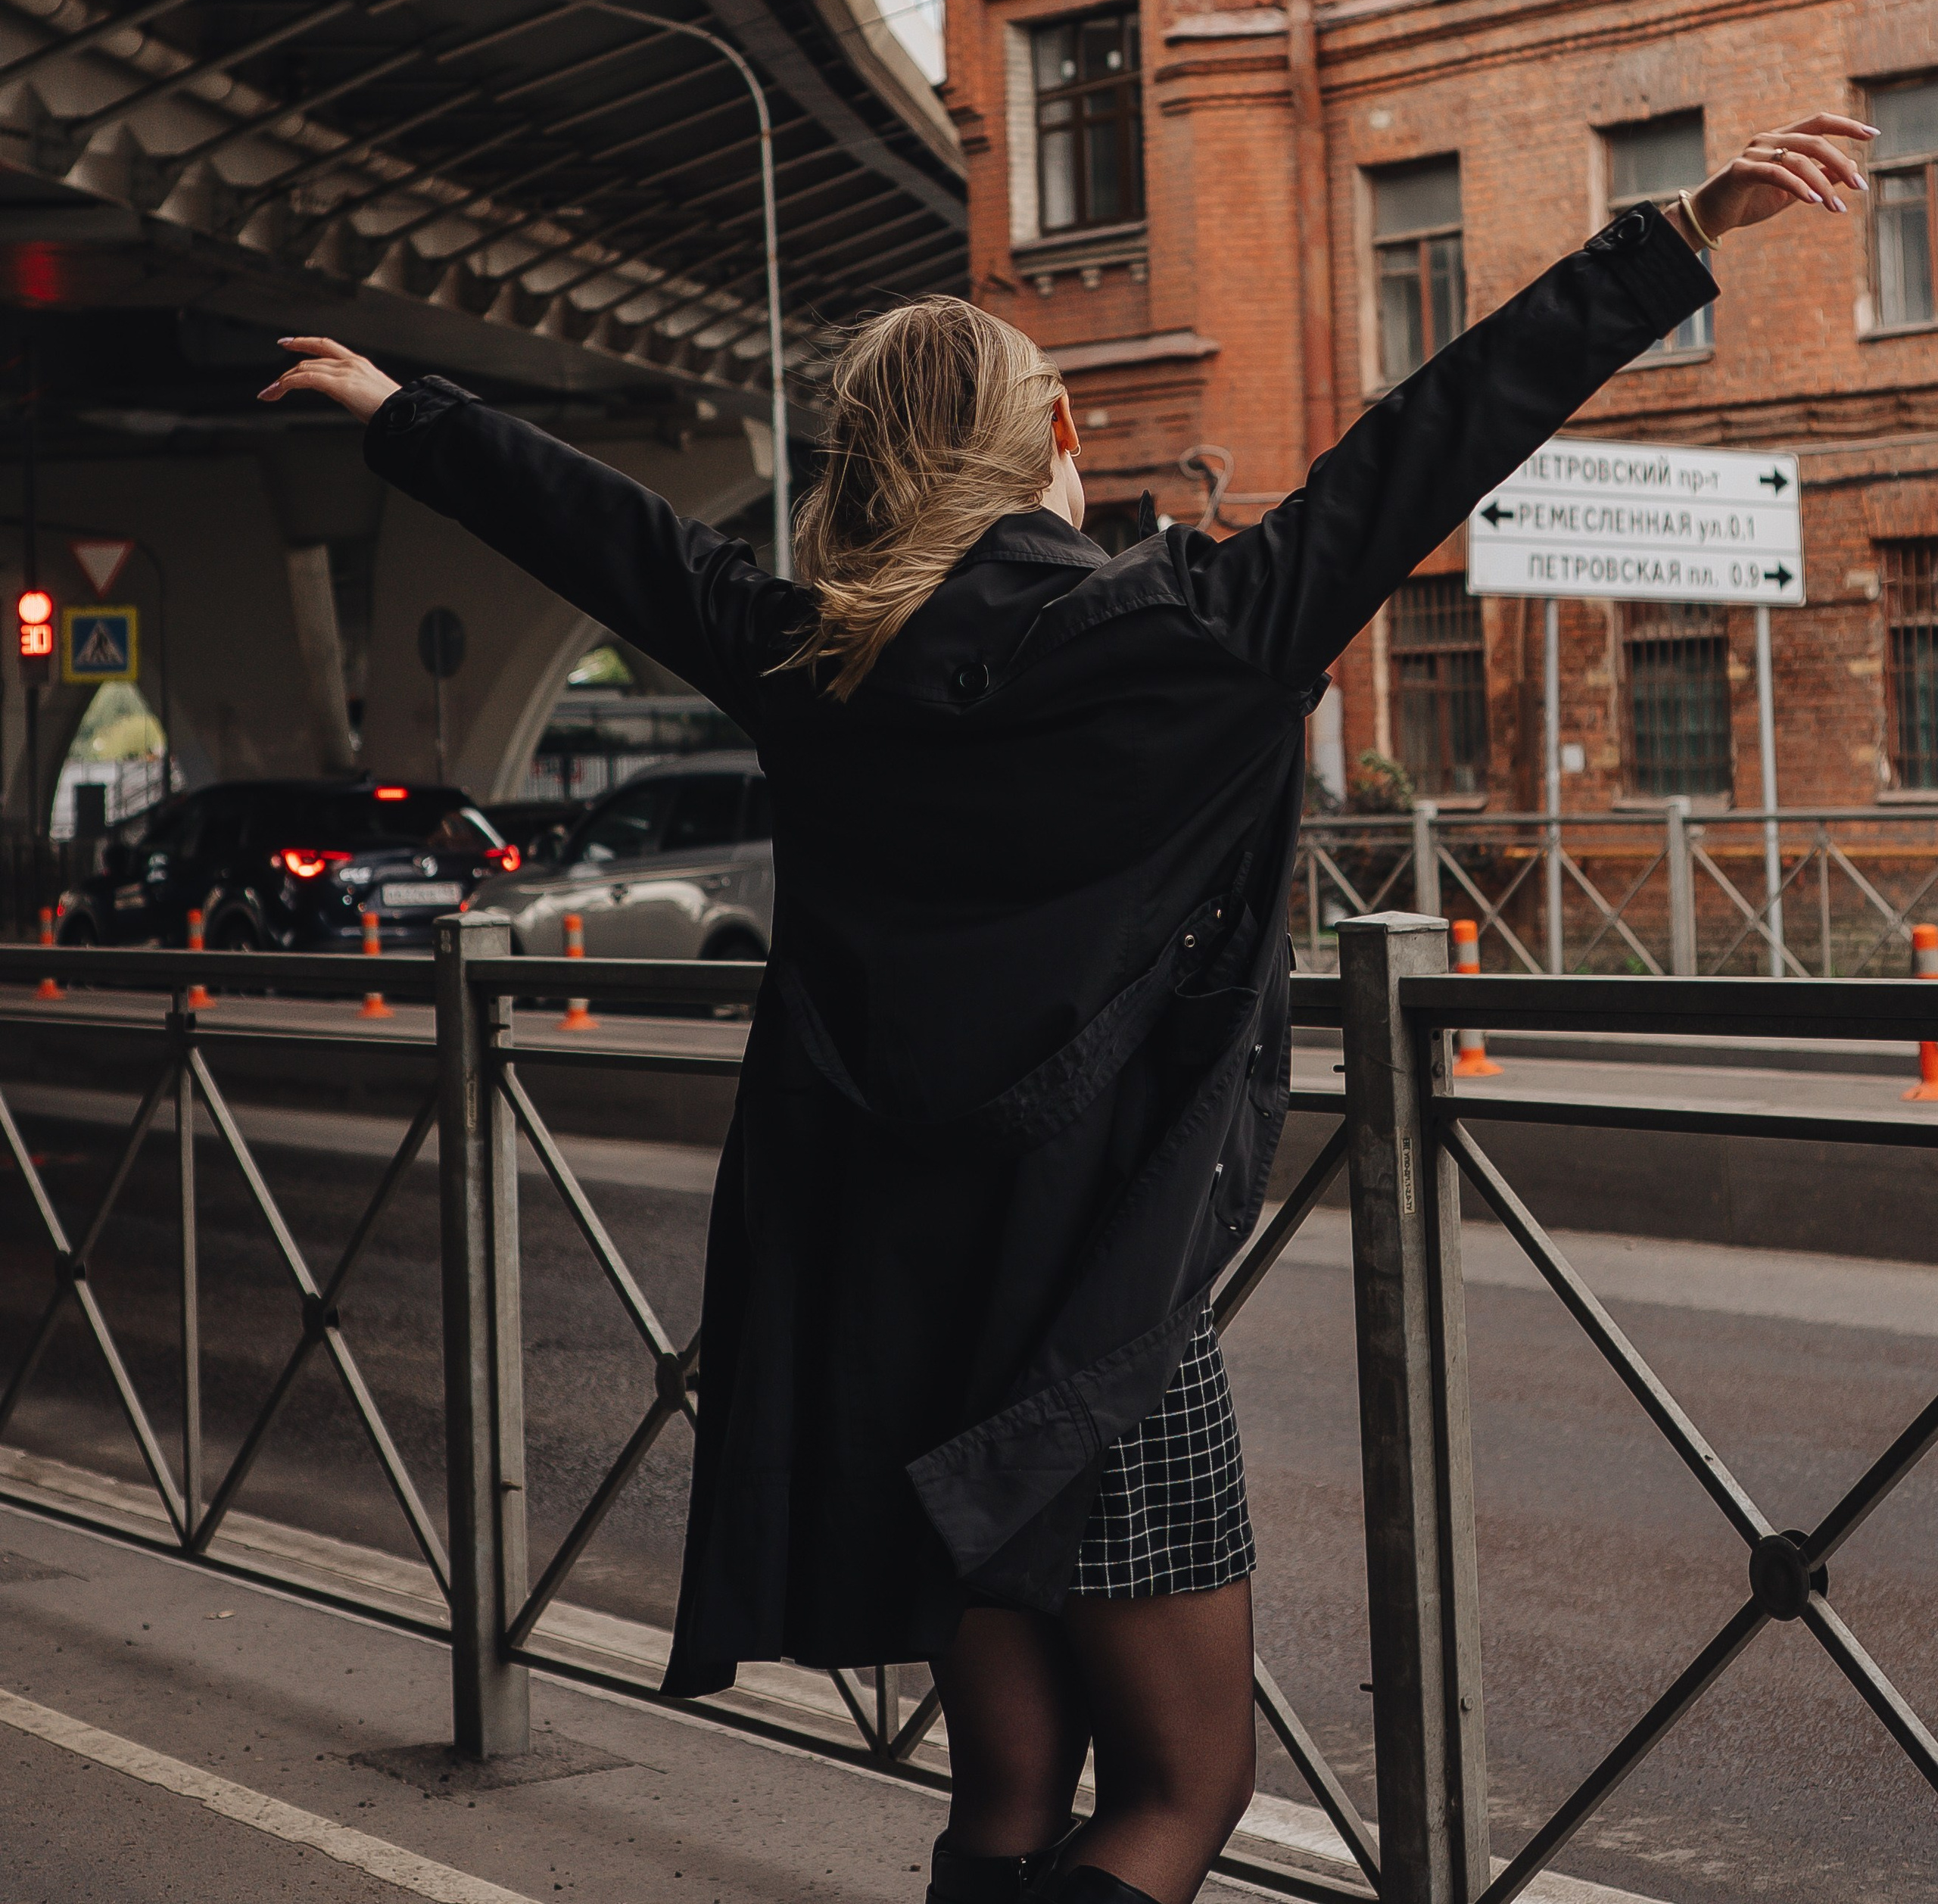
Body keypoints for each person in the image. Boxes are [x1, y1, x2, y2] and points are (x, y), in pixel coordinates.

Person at [262, 115, 1870, 1904]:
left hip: (891, 1299)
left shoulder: (813, 658)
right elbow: (1432, 436)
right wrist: (1670, 233)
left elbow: (620, 542)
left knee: (1009, 1794)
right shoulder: (1200, 629)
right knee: (1182, 1788)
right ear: (1053, 441)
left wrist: (410, 412)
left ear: (866, 472)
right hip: (1094, 1312)